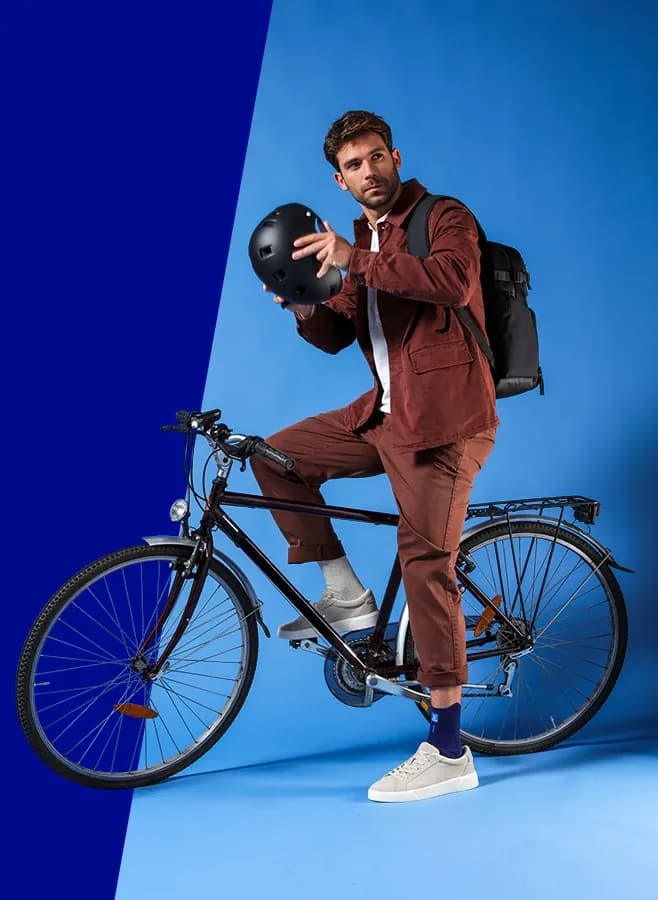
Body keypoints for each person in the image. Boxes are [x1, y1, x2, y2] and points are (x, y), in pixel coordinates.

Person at [251, 109, 499, 803]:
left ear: (395, 157)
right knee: (274, 456)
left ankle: (449, 750)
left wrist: (352, 258)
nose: (369, 172)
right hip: (387, 414)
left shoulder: (444, 217)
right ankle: (347, 596)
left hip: (446, 423)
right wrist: (300, 299)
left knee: (425, 562)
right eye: (353, 165)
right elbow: (337, 334)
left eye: (376, 157)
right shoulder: (361, 240)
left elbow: (450, 280)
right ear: (340, 179)